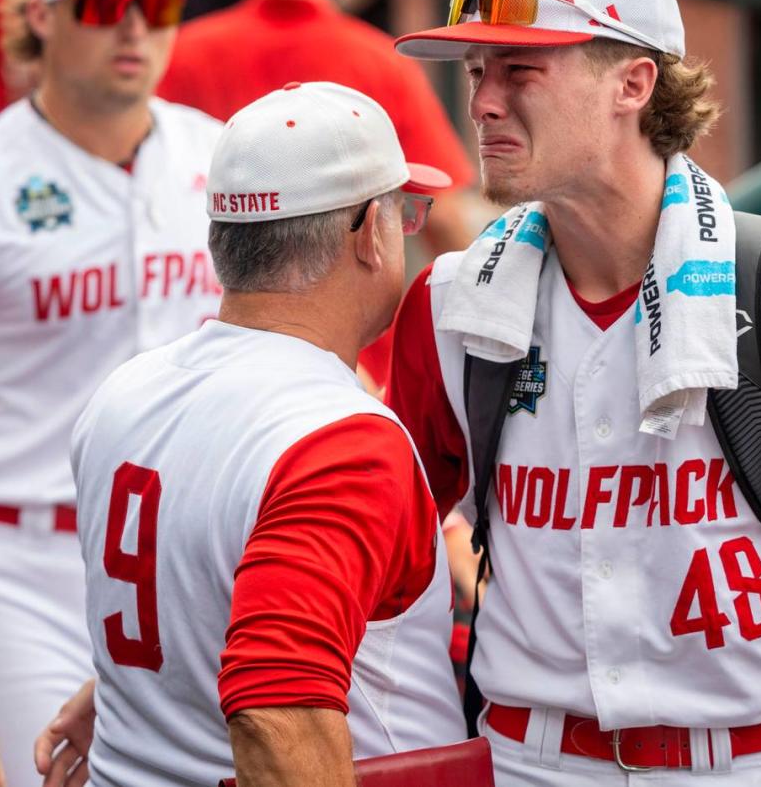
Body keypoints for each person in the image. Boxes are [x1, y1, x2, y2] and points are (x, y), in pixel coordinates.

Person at [386, 0, 761, 785]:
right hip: (524, 764)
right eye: (477, 73)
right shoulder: (447, 308)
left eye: (521, 70)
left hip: (756, 766)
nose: (484, 103)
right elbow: (384, 569)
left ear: (633, 83)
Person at [63, 82, 465, 787]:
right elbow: (278, 710)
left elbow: (199, 596)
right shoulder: (340, 438)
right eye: (404, 213)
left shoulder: (126, 391)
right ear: (371, 232)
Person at [0, 0, 222, 783]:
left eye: (158, 2)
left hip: (192, 550)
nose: (134, 25)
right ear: (41, 15)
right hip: (28, 558)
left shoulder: (225, 155)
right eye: (103, 1)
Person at [157, 0, 476, 267]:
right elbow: (442, 218)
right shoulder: (383, 63)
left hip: (208, 294)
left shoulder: (181, 54)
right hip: (341, 306)